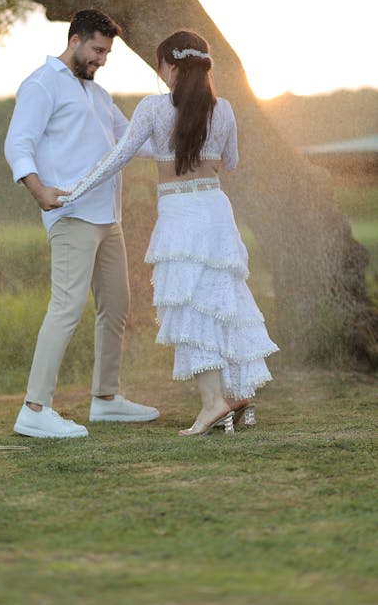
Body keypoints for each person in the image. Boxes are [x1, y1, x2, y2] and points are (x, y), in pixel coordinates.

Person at [59, 29, 279, 436]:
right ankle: (237, 393)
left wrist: (74, 191)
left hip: (180, 214)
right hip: (214, 210)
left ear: (172, 66)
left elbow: (118, 157)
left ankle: (214, 403)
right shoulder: (224, 109)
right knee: (223, 298)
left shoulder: (153, 109)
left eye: (161, 64)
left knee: (191, 304)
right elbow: (230, 161)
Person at [4, 9, 160, 439]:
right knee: (67, 306)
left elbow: (133, 143)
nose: (102, 59)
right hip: (70, 214)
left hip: (108, 217)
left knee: (117, 302)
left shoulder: (99, 95)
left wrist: (183, 135)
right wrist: (38, 191)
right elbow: (18, 143)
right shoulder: (42, 84)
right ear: (75, 40)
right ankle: (34, 408)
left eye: (107, 53)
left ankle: (106, 400)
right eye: (97, 50)